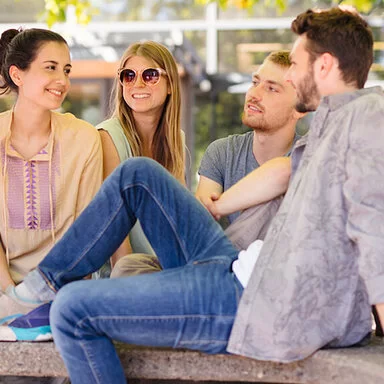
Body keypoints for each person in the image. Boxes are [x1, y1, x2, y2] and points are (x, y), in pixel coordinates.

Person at [1, 6, 384, 384]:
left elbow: (375, 230)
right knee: (137, 174)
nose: (292, 76)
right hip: (239, 268)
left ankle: (46, 294)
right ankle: (40, 287)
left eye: (297, 65)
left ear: (325, 66)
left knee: (71, 309)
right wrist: (216, 205)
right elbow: (283, 171)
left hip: (253, 301)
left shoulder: (365, 120)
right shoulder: (332, 125)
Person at [0, 28, 103, 319]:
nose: (62, 81)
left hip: (63, 291)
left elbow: (88, 230)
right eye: (51, 68)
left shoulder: (84, 138)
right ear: (17, 75)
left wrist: (55, 293)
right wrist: (12, 295)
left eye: (67, 70)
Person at [96, 40, 185, 277]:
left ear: (170, 86)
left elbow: (180, 218)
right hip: (127, 272)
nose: (137, 83)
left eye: (150, 75)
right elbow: (115, 234)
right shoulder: (108, 137)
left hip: (168, 266)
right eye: (128, 75)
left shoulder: (177, 140)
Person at [196, 50, 304, 224]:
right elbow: (199, 226)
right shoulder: (222, 152)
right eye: (255, 82)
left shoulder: (309, 159)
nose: (253, 94)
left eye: (271, 88)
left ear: (299, 109)